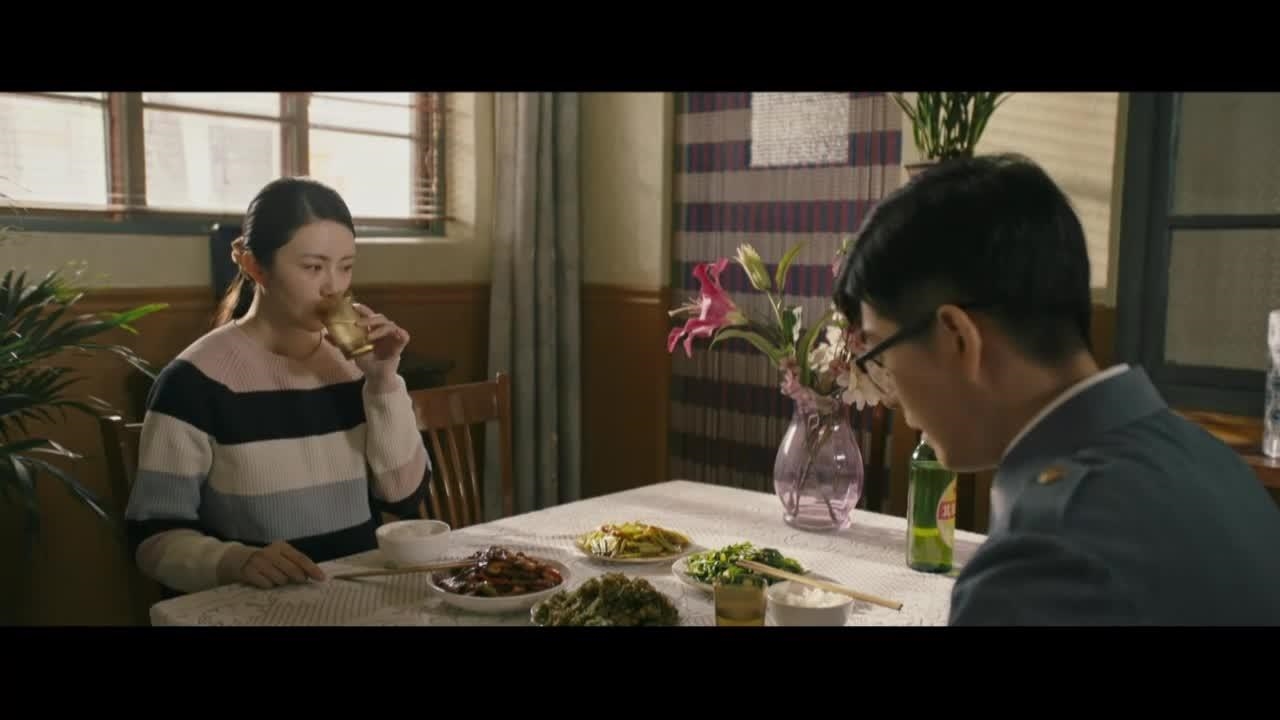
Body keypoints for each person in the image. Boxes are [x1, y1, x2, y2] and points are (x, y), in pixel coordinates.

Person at [834, 153, 1280, 625]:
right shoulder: (1215, 465)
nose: (891, 394)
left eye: (882, 352)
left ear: (958, 338)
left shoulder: (1044, 559)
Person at [125, 177, 431, 595]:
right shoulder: (193, 382)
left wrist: (382, 382)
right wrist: (235, 561)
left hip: (357, 594)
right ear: (255, 266)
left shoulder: (357, 366)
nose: (333, 287)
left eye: (345, 266)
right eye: (313, 267)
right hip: (259, 604)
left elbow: (403, 497)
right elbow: (152, 539)